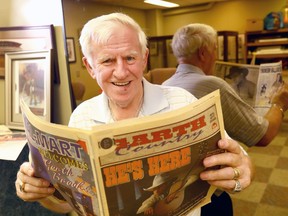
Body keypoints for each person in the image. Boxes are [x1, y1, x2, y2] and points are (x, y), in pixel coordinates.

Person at [15, 13, 253, 216]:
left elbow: (237, 163)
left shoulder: (183, 102)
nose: (121, 72)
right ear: (89, 67)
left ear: (144, 59)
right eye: (108, 60)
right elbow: (70, 204)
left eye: (130, 58)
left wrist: (242, 170)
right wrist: (41, 193)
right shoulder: (82, 117)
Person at [163, 23, 288, 147]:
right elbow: (263, 135)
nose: (216, 57)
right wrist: (279, 103)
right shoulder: (213, 86)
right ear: (202, 54)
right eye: (215, 49)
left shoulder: (165, 85)